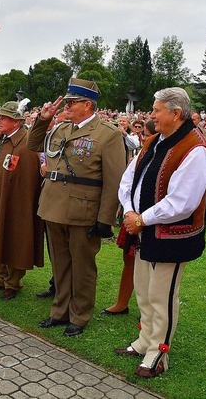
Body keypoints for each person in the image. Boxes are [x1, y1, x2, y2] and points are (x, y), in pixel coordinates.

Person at [115, 87, 206, 378]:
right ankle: (145, 340)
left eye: (157, 110)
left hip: (172, 235)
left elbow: (183, 202)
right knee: (143, 290)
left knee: (162, 295)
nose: (151, 115)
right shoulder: (156, 140)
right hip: (144, 229)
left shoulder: (195, 148)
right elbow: (129, 178)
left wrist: (141, 219)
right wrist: (130, 212)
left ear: (176, 113)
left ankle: (159, 353)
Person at [27, 78, 126, 337]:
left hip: (83, 209)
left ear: (87, 105)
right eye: (67, 103)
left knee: (82, 265)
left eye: (71, 103)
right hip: (53, 205)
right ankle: (59, 311)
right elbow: (33, 145)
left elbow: (114, 179)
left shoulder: (109, 133)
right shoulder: (60, 130)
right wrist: (43, 119)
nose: (66, 107)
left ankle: (79, 315)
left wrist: (106, 218)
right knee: (60, 263)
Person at [0, 101, 44, 300]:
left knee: (14, 240)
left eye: (3, 118)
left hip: (13, 204)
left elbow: (27, 180)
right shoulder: (2, 139)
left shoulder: (26, 144)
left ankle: (13, 282)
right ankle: (0, 277)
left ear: (16, 122)